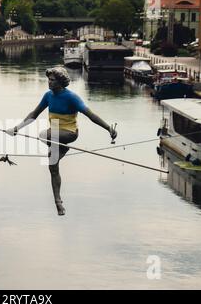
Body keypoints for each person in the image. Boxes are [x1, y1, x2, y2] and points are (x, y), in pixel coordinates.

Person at [6, 67, 117, 216]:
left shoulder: (72, 97)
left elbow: (91, 116)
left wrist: (108, 128)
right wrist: (17, 128)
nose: (49, 82)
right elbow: (34, 114)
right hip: (55, 135)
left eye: (52, 80)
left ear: (60, 82)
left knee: (43, 134)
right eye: (49, 79)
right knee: (52, 167)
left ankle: (63, 148)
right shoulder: (48, 96)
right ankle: (58, 203)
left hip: (69, 133)